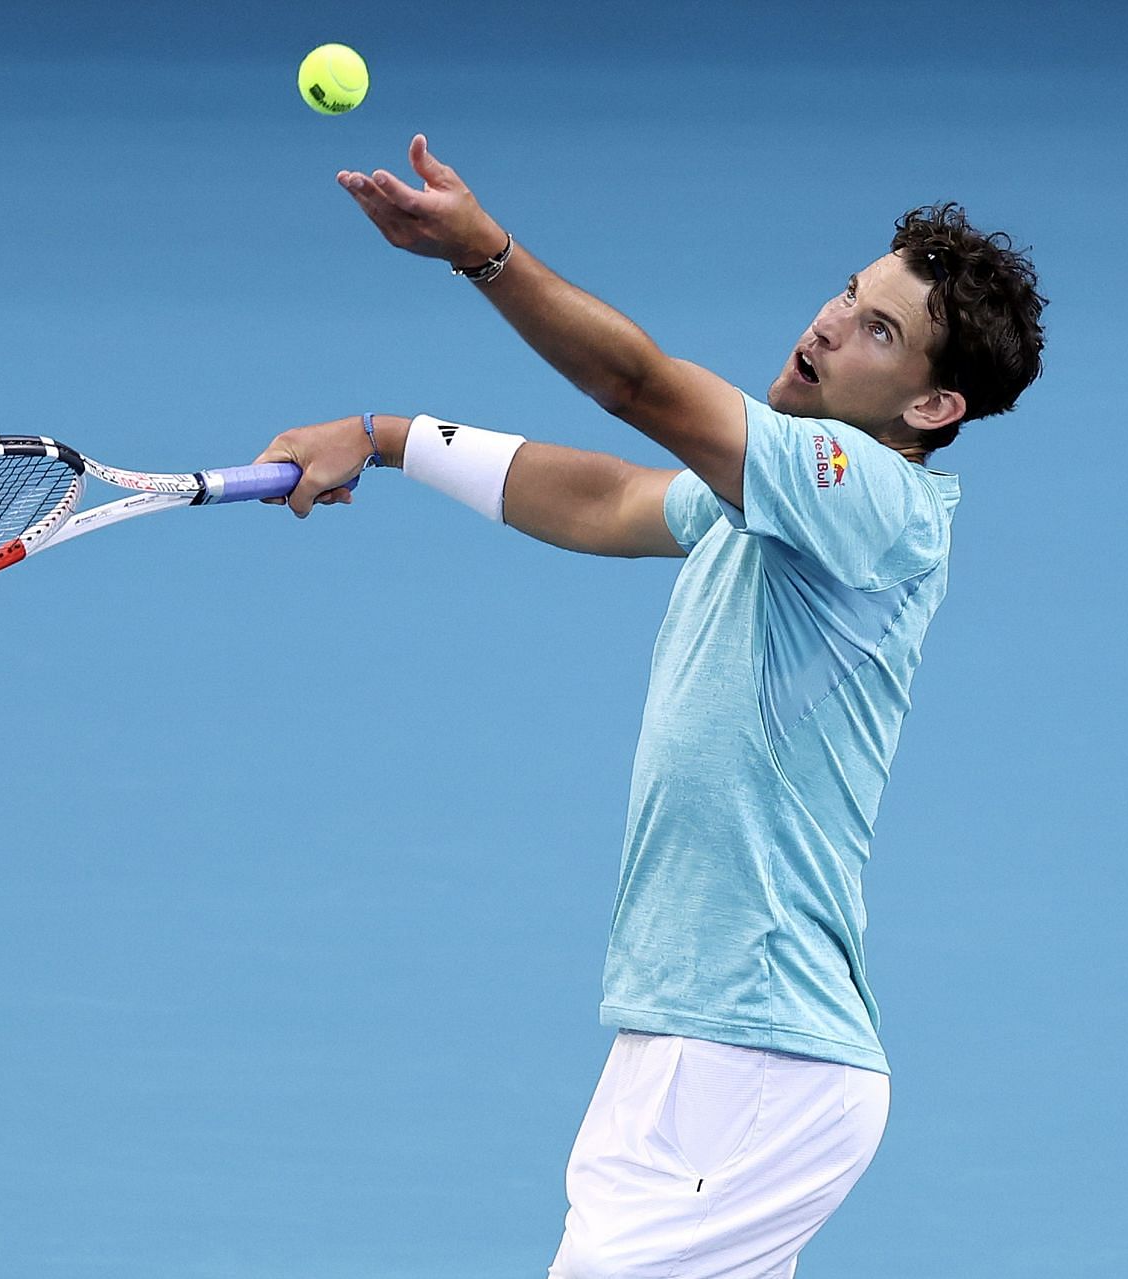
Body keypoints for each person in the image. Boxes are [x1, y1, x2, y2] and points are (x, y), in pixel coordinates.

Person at [254, 135, 1047, 1278]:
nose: (828, 323)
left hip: (757, 1059)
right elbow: (608, 496)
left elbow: (637, 389)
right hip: (686, 1043)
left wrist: (486, 256)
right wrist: (388, 441)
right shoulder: (770, 501)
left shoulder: (875, 502)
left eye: (878, 329)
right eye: (847, 293)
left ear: (933, 403)